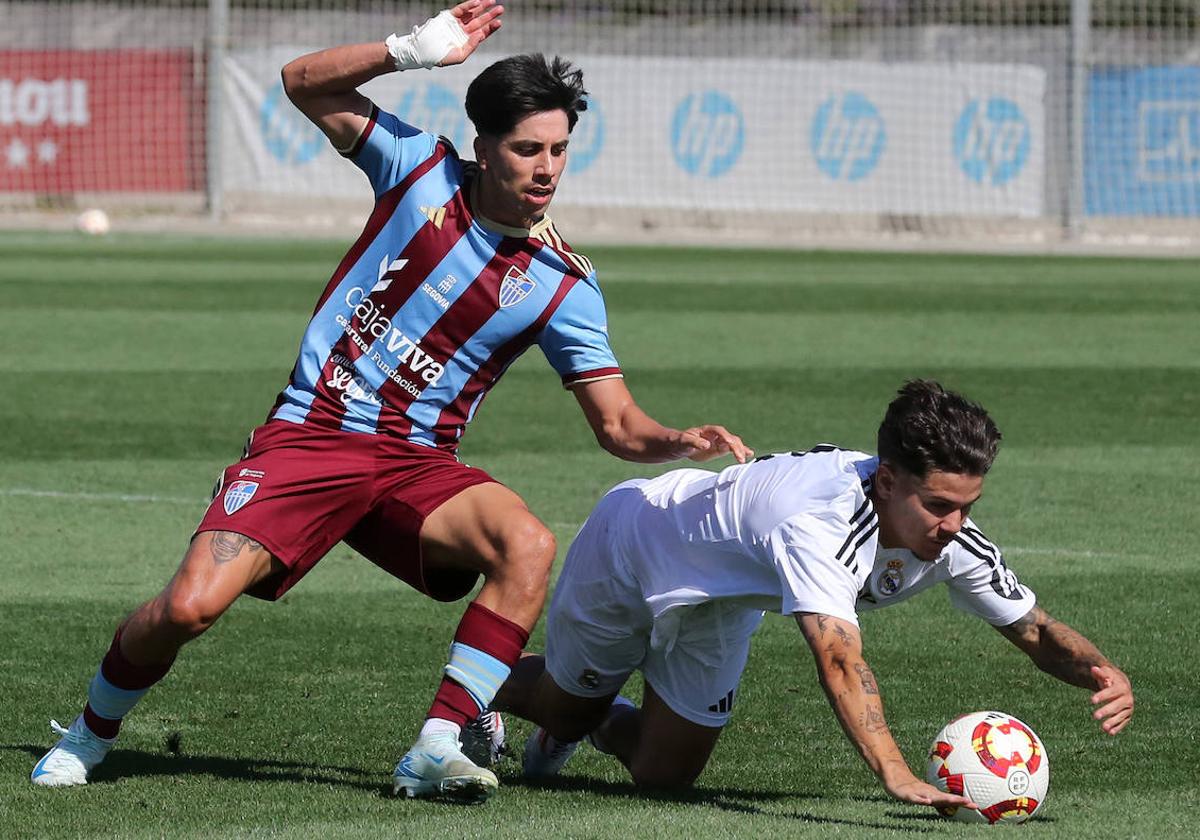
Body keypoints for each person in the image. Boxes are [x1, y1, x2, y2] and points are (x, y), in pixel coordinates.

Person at [30, 1, 750, 804]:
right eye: (526, 150)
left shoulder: (564, 284)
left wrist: (678, 439)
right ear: (483, 148)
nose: (546, 168)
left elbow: (617, 423)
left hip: (414, 467)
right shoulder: (418, 169)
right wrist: (409, 50)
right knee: (188, 609)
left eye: (559, 150)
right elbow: (300, 83)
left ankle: (438, 743)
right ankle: (91, 731)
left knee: (528, 544)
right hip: (310, 436)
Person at [493, 380, 1134, 812]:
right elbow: (837, 658)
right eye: (939, 506)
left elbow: (1034, 629)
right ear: (886, 481)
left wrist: (1101, 673)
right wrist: (896, 773)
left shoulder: (951, 538)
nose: (956, 527)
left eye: (968, 507)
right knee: (562, 706)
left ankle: (597, 715)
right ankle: (477, 693)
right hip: (635, 549)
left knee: (663, 778)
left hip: (727, 597)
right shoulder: (817, 524)